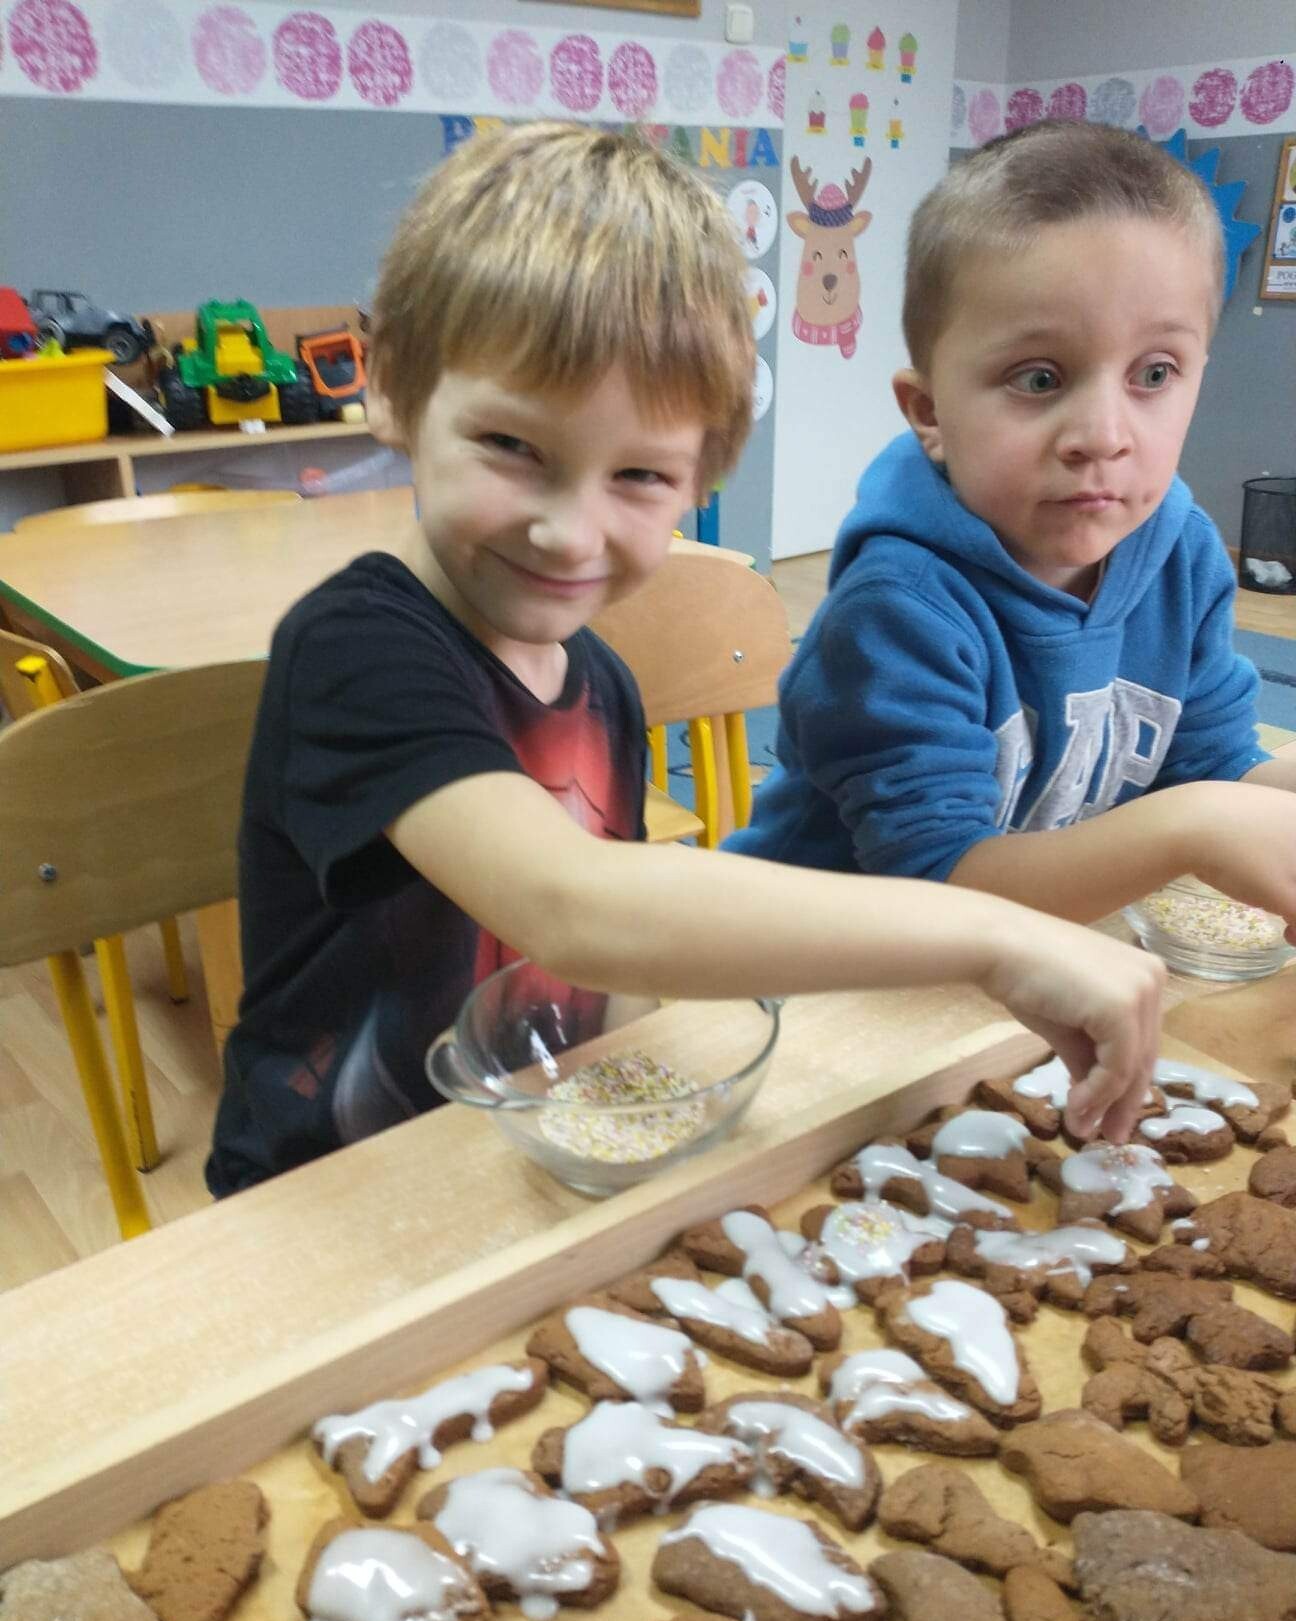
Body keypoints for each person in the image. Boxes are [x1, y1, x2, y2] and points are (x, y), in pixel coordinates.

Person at [207, 122, 1163, 1199]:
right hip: (328, 1192)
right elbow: (576, 908)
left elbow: (608, 976)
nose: (569, 533)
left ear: (701, 478)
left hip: (523, 1148)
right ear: (391, 387)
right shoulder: (356, 647)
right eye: (512, 447)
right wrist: (993, 936)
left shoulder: (598, 682)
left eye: (640, 477)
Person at [727, 120, 1296, 938]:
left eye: (1155, 373)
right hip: (814, 971)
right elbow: (939, 887)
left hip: (1016, 961)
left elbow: (1211, 765)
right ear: (930, 412)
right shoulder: (899, 608)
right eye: (1039, 378)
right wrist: (1193, 826)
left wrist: (1228, 806)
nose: (1103, 435)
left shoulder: (1183, 556)